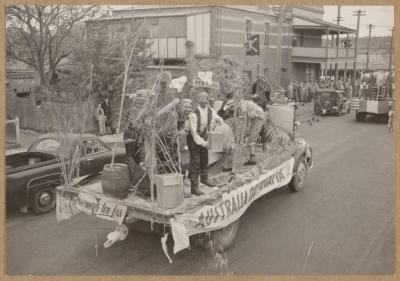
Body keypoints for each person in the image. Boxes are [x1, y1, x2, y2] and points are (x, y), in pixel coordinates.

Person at [185, 92, 224, 195]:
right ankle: (194, 187)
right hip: (194, 138)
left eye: (206, 99)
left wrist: (220, 122)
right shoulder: (193, 113)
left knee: (204, 159)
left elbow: (217, 118)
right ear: (198, 100)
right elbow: (193, 132)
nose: (204, 102)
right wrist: (203, 143)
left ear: (208, 100)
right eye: (201, 100)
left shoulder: (209, 109)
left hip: (203, 137)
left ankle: (204, 179)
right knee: (195, 162)